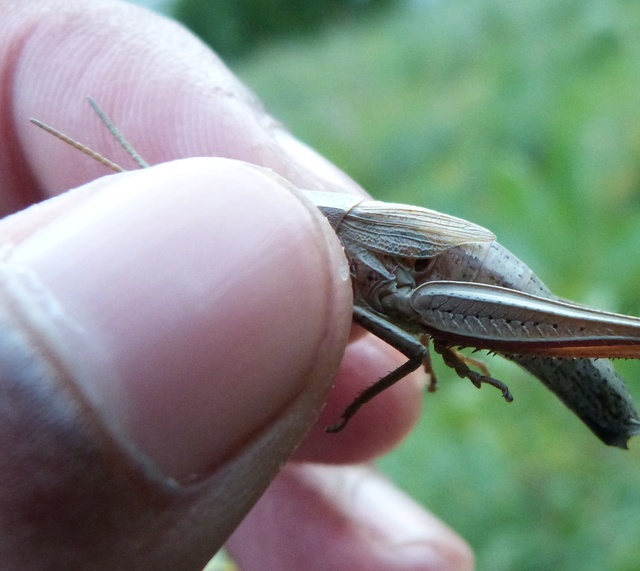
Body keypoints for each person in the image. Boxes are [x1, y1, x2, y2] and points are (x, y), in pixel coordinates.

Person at [0, 1, 473, 569]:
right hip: (403, 281)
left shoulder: (275, 229)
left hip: (438, 269)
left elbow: (405, 337)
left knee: (414, 341)